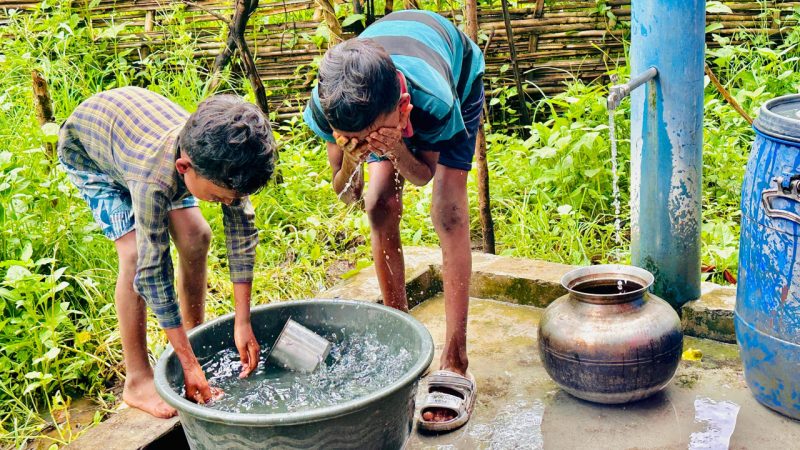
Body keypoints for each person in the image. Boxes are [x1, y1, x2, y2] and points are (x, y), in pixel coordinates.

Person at [304, 10, 484, 431]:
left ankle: (456, 361)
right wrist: (353, 154)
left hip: (455, 75)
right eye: (356, 139)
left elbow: (422, 176)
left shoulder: (434, 100)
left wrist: (396, 149)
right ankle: (400, 333)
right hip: (382, 104)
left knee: (449, 212)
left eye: (375, 139)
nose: (368, 147)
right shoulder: (330, 106)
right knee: (377, 204)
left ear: (403, 112)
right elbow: (345, 192)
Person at [58, 87, 276, 418]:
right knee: (133, 257)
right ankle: (138, 380)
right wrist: (187, 363)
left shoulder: (225, 161)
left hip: (142, 144)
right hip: (92, 154)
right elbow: (153, 272)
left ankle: (191, 338)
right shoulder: (154, 181)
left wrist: (242, 321)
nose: (228, 204)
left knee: (196, 236)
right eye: (218, 198)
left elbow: (242, 234)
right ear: (185, 167)